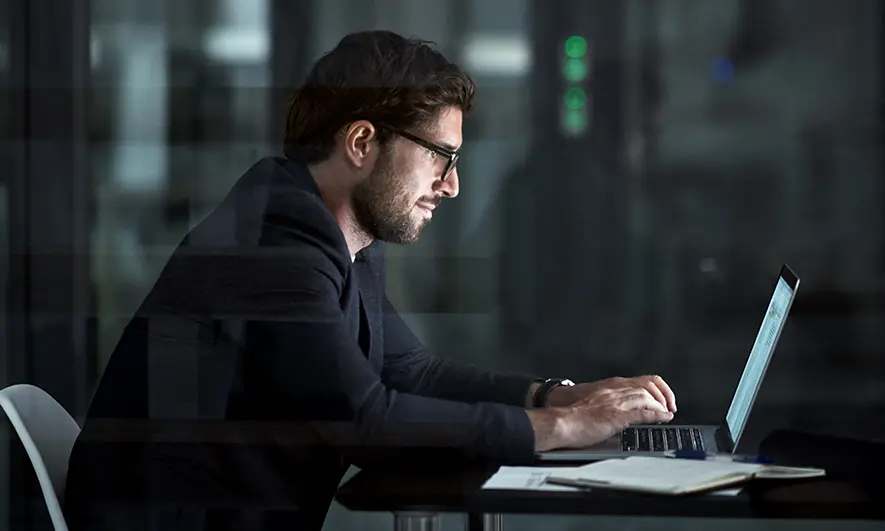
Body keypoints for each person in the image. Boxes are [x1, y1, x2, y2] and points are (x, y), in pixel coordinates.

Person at [64, 30, 676, 531]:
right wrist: (562, 429)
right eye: (440, 155)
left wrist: (557, 396)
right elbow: (366, 422)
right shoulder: (275, 247)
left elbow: (411, 372)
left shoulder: (321, 231)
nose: (452, 185)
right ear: (361, 142)